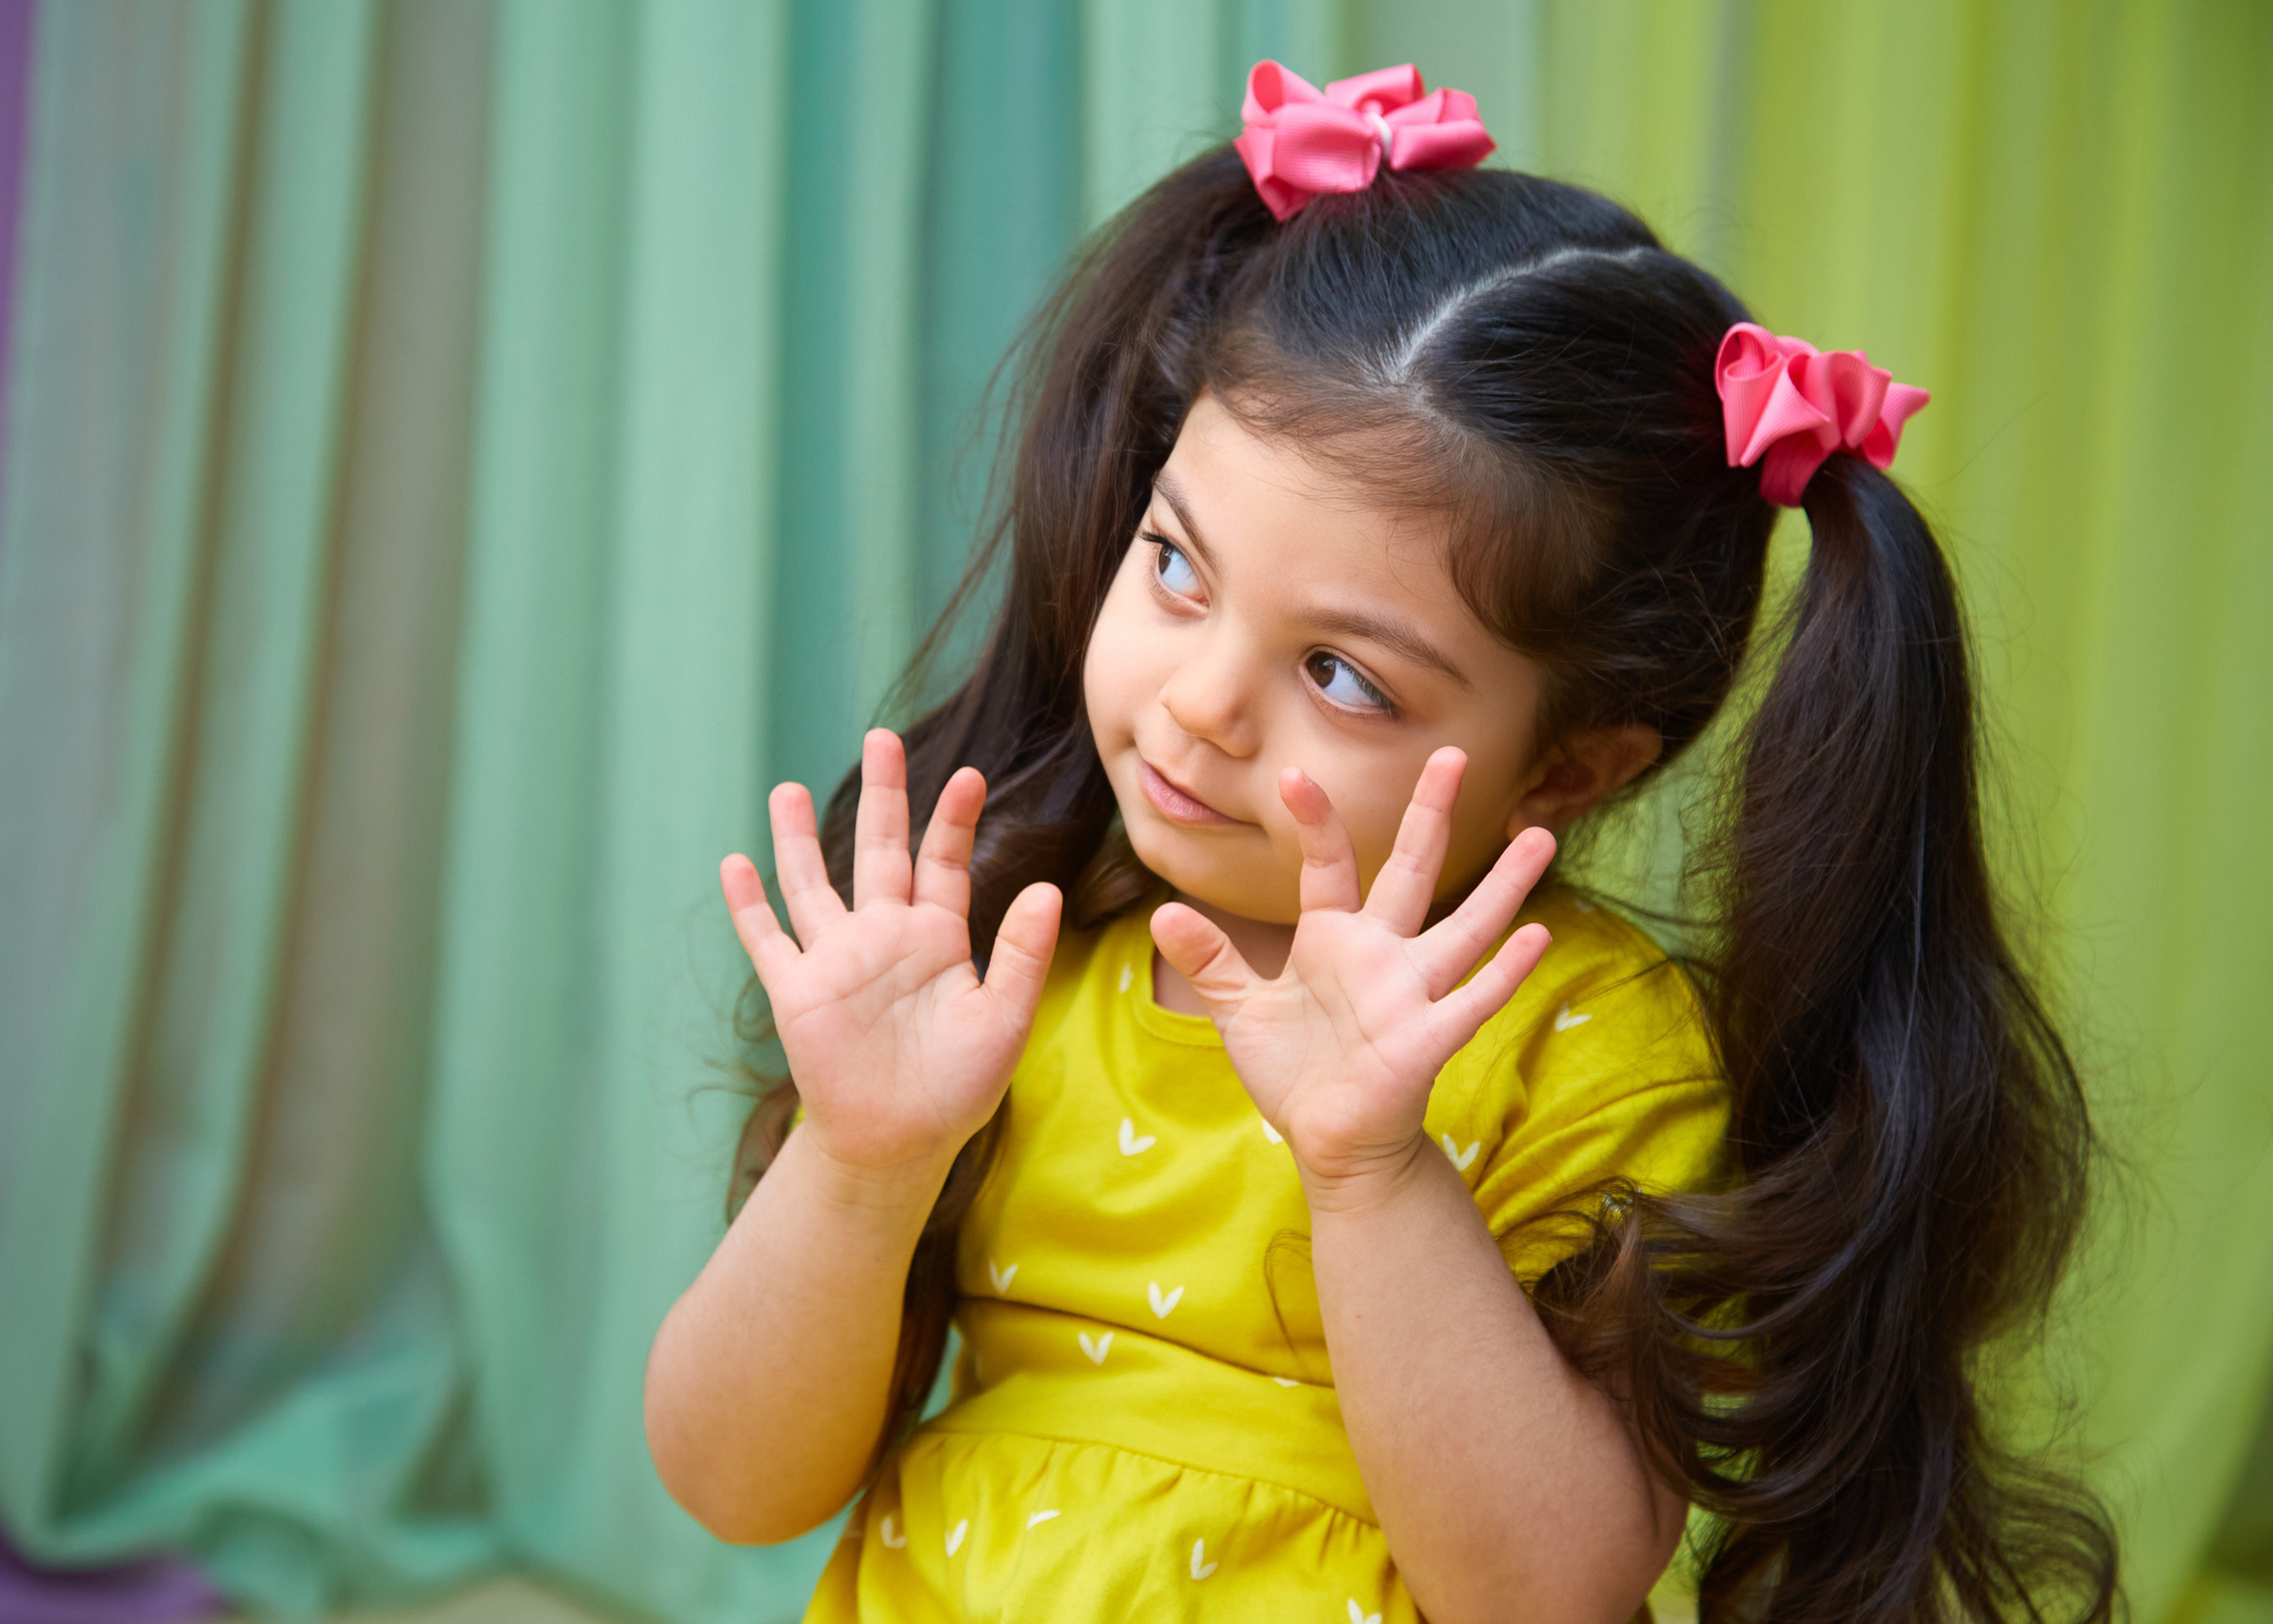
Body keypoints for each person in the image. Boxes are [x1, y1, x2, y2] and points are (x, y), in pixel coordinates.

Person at [643, 60, 2118, 1624]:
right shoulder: (1020, 954)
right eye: (1176, 564)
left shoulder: (1583, 1042)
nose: (1201, 704)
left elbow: (1546, 1592)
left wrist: (1372, 1168)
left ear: (1567, 763)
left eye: (1340, 674)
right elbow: (735, 1483)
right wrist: (861, 1162)